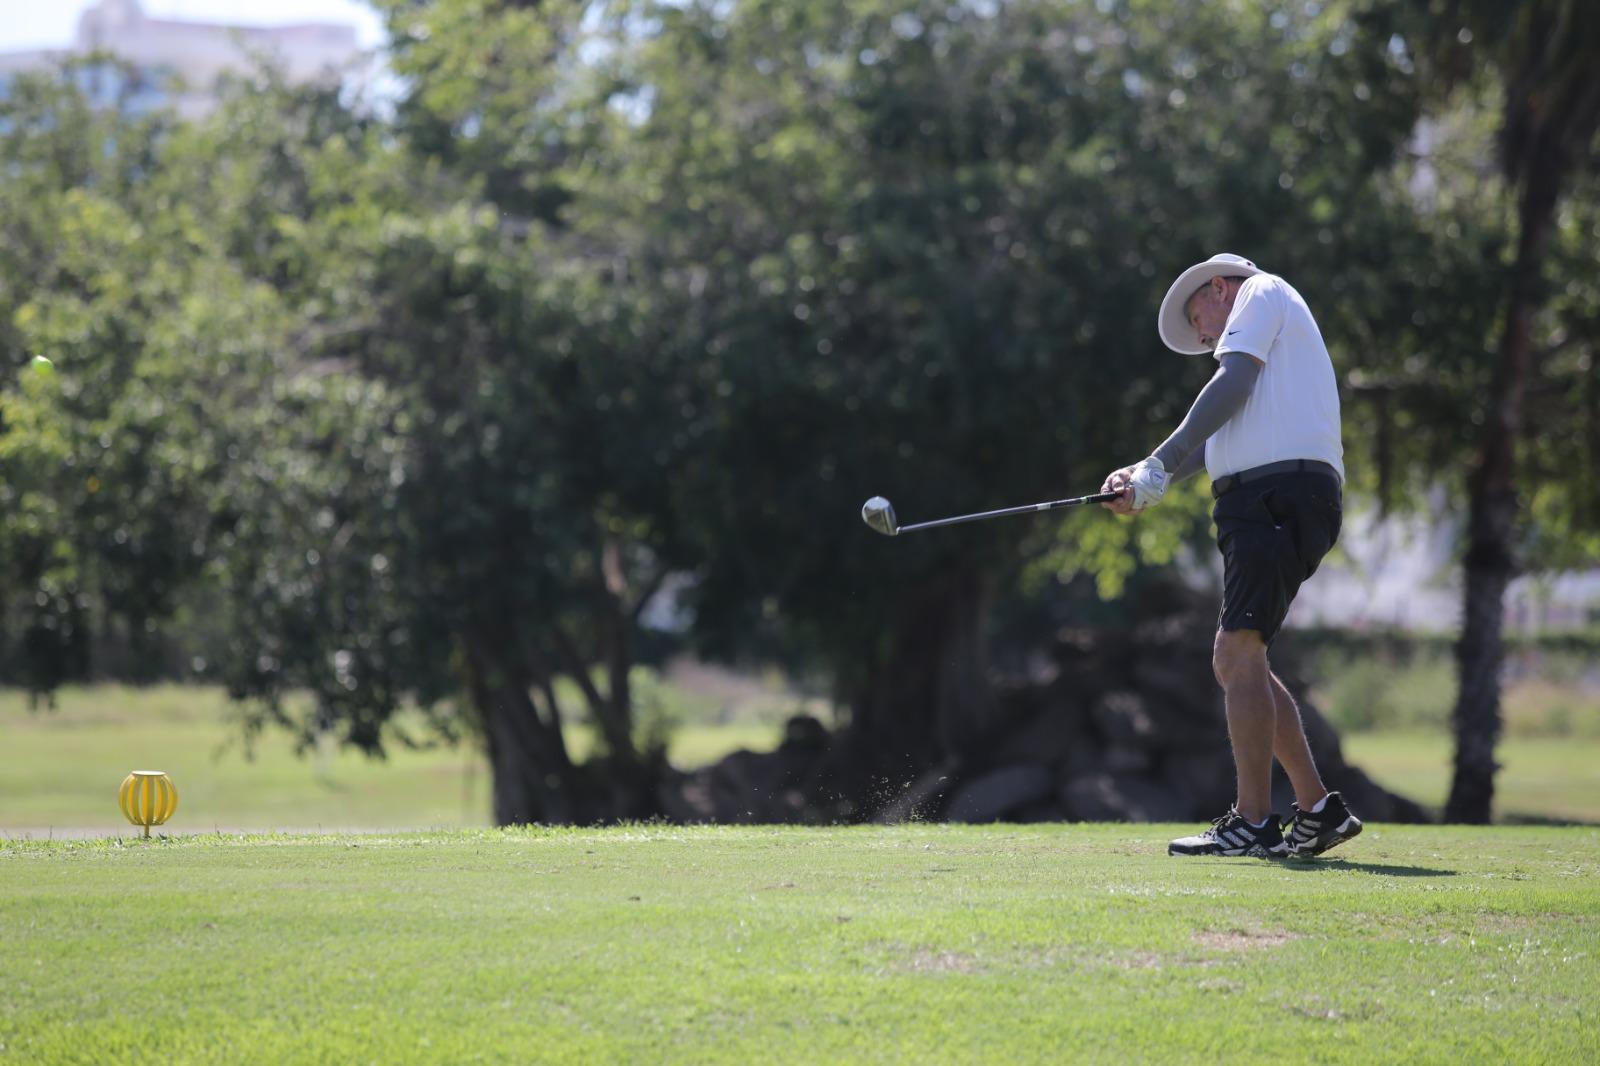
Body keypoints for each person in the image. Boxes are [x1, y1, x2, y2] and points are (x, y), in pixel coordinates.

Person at [1100, 253, 1362, 859]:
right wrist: (1148, 482)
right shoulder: (1264, 340)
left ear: (1221, 288)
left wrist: (1155, 465)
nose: (1202, 336)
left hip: (1274, 497)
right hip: (1269, 500)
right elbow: (1217, 431)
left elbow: (1231, 384)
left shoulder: (1260, 293)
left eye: (1199, 317)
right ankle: (1318, 808)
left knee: (1235, 652)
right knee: (1244, 661)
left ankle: (1252, 822)